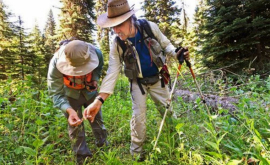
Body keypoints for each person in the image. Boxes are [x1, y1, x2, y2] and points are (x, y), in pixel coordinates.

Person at [83, 0, 189, 161]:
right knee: (138, 119)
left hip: (158, 79)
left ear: (130, 19)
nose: (115, 30)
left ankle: (179, 146)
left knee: (168, 113)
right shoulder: (117, 43)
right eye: (113, 26)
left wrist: (177, 53)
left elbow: (167, 46)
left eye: (118, 25)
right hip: (137, 83)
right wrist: (99, 100)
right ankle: (136, 154)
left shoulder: (149, 27)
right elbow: (113, 70)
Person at [47, 40, 108, 164]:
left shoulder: (97, 53)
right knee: (75, 126)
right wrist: (69, 110)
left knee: (96, 118)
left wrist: (95, 80)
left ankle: (103, 145)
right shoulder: (55, 63)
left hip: (90, 93)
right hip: (70, 95)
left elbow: (98, 68)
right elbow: (55, 93)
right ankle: (82, 156)